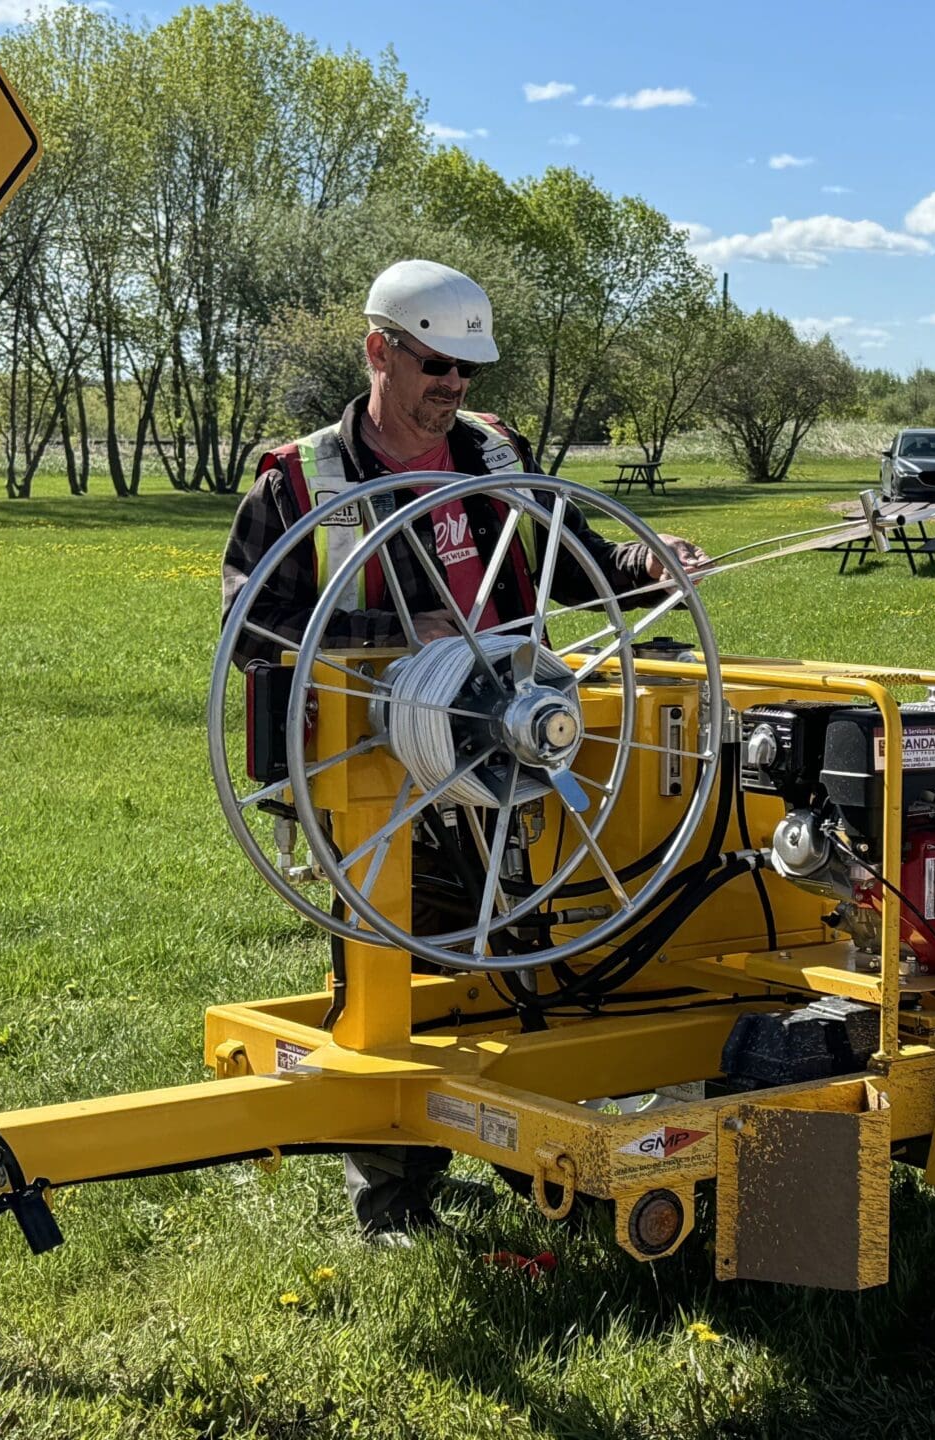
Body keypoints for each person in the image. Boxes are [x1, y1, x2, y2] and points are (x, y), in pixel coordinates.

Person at [219, 259, 704, 1239]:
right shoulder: (301, 476)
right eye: (436, 363)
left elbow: (572, 555)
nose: (454, 385)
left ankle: (541, 1163)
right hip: (369, 762)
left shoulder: (494, 455)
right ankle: (393, 1197)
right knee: (396, 960)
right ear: (378, 351)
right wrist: (393, 639)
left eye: (468, 370)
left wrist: (642, 568)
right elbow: (249, 613)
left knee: (523, 948)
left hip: (504, 739)